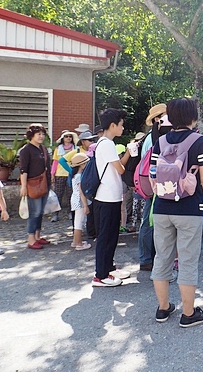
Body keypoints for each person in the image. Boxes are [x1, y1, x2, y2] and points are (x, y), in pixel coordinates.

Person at [150, 97, 203, 327]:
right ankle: (188, 313)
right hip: (189, 208)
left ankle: (163, 309)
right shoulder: (199, 141)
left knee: (162, 258)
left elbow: (152, 176)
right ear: (193, 117)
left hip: (161, 207)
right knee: (188, 261)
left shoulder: (159, 142)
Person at [91, 108, 132, 287]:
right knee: (105, 237)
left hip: (112, 197)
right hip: (106, 198)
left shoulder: (107, 143)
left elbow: (118, 167)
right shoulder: (106, 144)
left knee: (111, 235)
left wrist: (127, 153)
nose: (123, 128)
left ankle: (109, 268)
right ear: (113, 125)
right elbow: (121, 169)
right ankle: (100, 275)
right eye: (121, 125)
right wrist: (129, 154)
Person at [139, 103, 167, 271]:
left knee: (151, 220)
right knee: (149, 221)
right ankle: (146, 258)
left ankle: (149, 257)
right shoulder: (153, 138)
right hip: (154, 184)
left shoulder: (154, 136)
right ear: (157, 119)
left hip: (153, 183)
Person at [58, 131, 97, 239]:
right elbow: (61, 160)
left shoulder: (93, 150)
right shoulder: (77, 151)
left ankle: (89, 231)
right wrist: (72, 171)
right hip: (79, 183)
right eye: (89, 140)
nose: (92, 142)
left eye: (92, 140)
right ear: (83, 141)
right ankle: (78, 233)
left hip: (88, 182)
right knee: (79, 211)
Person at [19, 123, 52, 250]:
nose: (41, 136)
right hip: (33, 185)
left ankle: (38, 236)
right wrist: (23, 186)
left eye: (43, 134)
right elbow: (23, 169)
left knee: (40, 212)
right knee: (35, 212)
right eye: (38, 134)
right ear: (31, 135)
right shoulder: (26, 150)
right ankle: (31, 239)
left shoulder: (42, 149)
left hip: (44, 184)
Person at [50, 130, 78, 223]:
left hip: (71, 173)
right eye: (66, 136)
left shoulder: (75, 148)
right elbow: (55, 162)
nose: (68, 138)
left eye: (70, 136)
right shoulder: (58, 149)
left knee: (71, 194)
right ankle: (56, 213)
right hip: (60, 174)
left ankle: (70, 212)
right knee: (58, 194)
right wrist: (52, 174)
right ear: (63, 138)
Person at [69, 153, 92, 250]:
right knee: (79, 222)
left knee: (77, 221)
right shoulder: (79, 177)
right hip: (80, 201)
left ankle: (75, 241)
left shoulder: (75, 176)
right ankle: (78, 243)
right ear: (81, 165)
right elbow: (81, 192)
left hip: (75, 200)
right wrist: (85, 205)